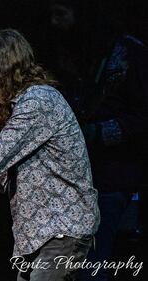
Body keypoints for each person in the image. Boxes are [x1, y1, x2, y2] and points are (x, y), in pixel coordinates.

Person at [0, 28, 100, 281]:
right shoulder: (24, 105)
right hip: (38, 239)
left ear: (0, 64)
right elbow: (0, 179)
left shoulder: (38, 102)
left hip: (60, 233)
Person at [46, 1, 148, 280]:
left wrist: (96, 132)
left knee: (95, 267)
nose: (54, 23)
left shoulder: (130, 52)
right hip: (84, 182)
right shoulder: (82, 55)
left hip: (116, 180)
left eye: (61, 13)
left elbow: (141, 118)